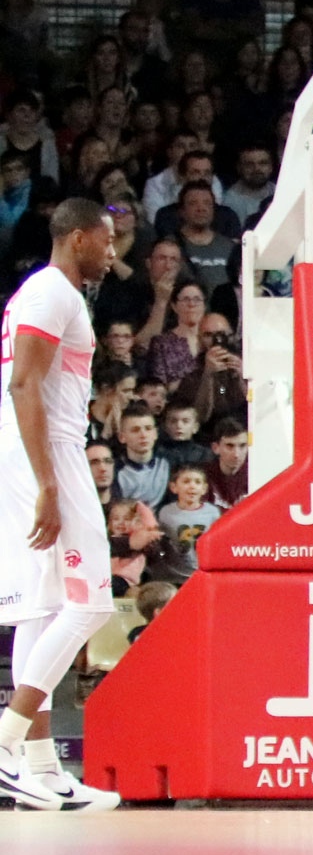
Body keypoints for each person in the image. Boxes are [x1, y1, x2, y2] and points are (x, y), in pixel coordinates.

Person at [0, 198, 121, 809]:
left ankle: (39, 771)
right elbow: (23, 382)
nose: (113, 252)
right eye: (107, 240)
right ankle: (6, 740)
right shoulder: (53, 292)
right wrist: (48, 482)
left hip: (34, 450)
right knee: (93, 602)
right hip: (47, 452)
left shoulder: (43, 292)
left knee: (43, 609)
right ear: (78, 239)